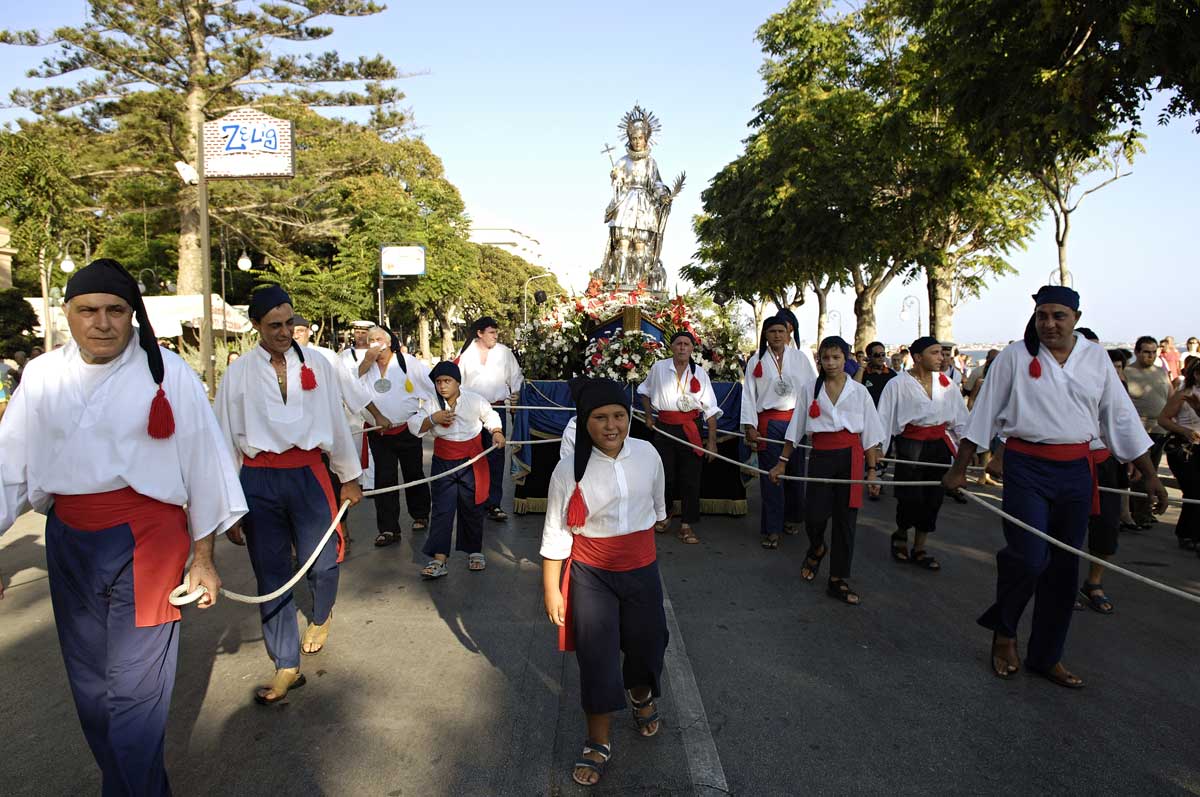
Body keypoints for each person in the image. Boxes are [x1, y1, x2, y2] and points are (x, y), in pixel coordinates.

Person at [0, 258, 246, 794]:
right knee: (90, 687)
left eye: (116, 310)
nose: (103, 322)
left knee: (135, 691)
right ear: (68, 315)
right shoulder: (42, 375)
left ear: (133, 315)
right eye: (88, 310)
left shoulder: (168, 373)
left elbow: (203, 465)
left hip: (149, 545)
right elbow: (8, 468)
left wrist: (202, 559)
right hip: (70, 541)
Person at [942, 286, 1166, 689]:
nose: (1049, 323)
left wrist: (1149, 475)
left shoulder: (1095, 357)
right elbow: (985, 413)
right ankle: (1005, 631)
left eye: (1058, 316)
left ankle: (1046, 655)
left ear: (1075, 318)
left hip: (1077, 472)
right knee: (1028, 558)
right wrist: (959, 469)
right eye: (1042, 315)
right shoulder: (1015, 356)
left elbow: (1119, 418)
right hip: (1027, 467)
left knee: (1064, 569)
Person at [215, 286, 365, 704]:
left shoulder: (317, 362)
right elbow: (224, 439)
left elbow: (336, 421)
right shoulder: (239, 373)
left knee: (323, 562)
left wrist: (349, 476)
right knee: (271, 572)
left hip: (309, 474)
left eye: (289, 323)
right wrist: (228, 507)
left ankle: (321, 612)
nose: (285, 332)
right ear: (256, 326)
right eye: (274, 325)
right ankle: (285, 664)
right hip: (259, 480)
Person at [541, 379, 669, 787]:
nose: (611, 425)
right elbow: (556, 535)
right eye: (600, 417)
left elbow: (658, 509)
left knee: (649, 642)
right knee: (596, 658)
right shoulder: (567, 469)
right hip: (590, 575)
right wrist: (550, 589)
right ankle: (598, 740)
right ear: (585, 421)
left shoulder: (648, 454)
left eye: (619, 415)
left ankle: (640, 692)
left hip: (641, 569)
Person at [769, 336, 885, 605]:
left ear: (846, 360)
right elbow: (796, 428)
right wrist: (781, 462)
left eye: (836, 358)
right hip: (821, 456)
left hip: (851, 458)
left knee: (846, 522)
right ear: (819, 360)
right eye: (826, 357)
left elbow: (869, 436)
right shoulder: (810, 388)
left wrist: (871, 471)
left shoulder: (859, 392)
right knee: (815, 517)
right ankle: (817, 547)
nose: (831, 363)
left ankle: (837, 579)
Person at [876, 337, 968, 570]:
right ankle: (900, 535)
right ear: (917, 357)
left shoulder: (946, 384)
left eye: (943, 353)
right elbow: (884, 419)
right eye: (935, 353)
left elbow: (960, 419)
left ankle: (920, 547)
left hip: (938, 446)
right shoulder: (897, 384)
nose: (942, 357)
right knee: (910, 497)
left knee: (932, 499)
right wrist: (878, 454)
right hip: (910, 445)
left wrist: (965, 452)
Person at [409, 360, 504, 578]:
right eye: (439, 382)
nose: (442, 386)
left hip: (472, 459)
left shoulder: (474, 400)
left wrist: (497, 432)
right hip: (444, 460)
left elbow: (490, 415)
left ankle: (474, 551)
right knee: (442, 508)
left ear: (458, 382)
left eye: (447, 381)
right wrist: (433, 419)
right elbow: (414, 425)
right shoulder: (432, 403)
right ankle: (439, 559)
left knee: (471, 506)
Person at [742, 316, 817, 549]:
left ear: (788, 334)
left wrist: (813, 423)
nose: (776, 335)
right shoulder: (757, 360)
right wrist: (750, 425)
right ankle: (772, 528)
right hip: (769, 422)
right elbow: (749, 394)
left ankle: (791, 518)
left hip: (796, 419)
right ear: (765, 335)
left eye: (780, 331)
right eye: (772, 331)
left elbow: (812, 389)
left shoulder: (801, 358)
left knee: (795, 474)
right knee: (771, 477)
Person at [639, 330, 721, 545]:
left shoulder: (700, 373)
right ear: (672, 347)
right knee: (664, 476)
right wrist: (649, 417)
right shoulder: (658, 368)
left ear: (692, 348)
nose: (683, 347)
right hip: (664, 427)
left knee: (691, 478)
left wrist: (711, 441)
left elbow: (710, 409)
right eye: (679, 343)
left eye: (687, 344)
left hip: (690, 428)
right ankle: (664, 514)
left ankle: (687, 524)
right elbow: (643, 391)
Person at [361, 325, 435, 546]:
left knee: (413, 473)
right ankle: (388, 528)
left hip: (406, 429)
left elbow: (431, 391)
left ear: (389, 341)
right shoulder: (365, 366)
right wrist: (366, 361)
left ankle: (420, 514)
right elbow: (352, 388)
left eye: (378, 339)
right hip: (378, 432)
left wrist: (421, 418)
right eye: (370, 340)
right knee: (384, 478)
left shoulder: (408, 363)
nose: (374, 343)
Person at [1071, 329, 1123, 615]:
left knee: (1107, 526)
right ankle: (1062, 582)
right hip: (1068, 459)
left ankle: (1094, 582)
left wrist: (1142, 467)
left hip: (1104, 460)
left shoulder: (1108, 380)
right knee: (1066, 528)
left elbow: (1122, 422)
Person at [457, 316, 524, 522]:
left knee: (495, 457)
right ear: (480, 333)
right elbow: (457, 382)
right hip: (471, 412)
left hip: (496, 410)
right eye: (491, 332)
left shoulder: (504, 353)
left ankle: (493, 503)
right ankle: (475, 499)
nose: (495, 336)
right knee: (474, 456)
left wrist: (516, 396)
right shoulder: (466, 354)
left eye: (496, 332)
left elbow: (516, 377)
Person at [1125, 335, 1174, 529]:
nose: (1150, 356)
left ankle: (1146, 511)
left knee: (1152, 472)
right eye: (1146, 352)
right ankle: (1137, 514)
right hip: (1138, 430)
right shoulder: (1127, 372)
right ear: (1137, 352)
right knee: (1139, 475)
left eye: (1154, 352)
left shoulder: (1161, 372)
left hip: (1159, 430)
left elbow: (1170, 395)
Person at [1157, 359, 1200, 553]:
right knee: (1193, 489)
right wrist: (1183, 430)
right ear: (1196, 375)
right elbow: (1163, 419)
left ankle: (1193, 533)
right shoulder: (1183, 395)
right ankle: (1186, 532)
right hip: (1185, 448)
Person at [854, 340, 897, 406]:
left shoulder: (892, 374)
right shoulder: (862, 373)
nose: (881, 357)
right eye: (877, 355)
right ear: (869, 357)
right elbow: (854, 389)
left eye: (883, 354)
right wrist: (861, 369)